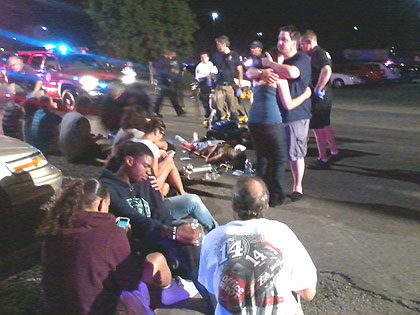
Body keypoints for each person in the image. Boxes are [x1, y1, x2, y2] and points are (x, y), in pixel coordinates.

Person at [99, 142, 218, 306]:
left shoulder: (146, 181)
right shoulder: (108, 188)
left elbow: (161, 215)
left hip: (156, 236)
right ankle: (214, 300)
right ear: (129, 161)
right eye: (145, 166)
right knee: (190, 245)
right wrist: (173, 233)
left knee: (193, 237)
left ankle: (211, 288)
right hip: (135, 243)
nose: (149, 171)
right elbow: (134, 219)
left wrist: (179, 229)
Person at [37, 178, 178, 314]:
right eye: (108, 207)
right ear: (101, 204)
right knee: (156, 258)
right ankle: (171, 291)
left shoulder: (54, 229)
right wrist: (123, 238)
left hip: (55, 309)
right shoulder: (110, 232)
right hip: (99, 309)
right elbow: (129, 281)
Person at [198, 176, 317, 315]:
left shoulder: (213, 238)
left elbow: (212, 289)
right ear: (266, 206)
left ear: (233, 205)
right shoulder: (282, 232)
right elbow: (308, 293)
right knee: (294, 295)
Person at [246, 50, 312, 207]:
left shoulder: (257, 76)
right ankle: (276, 197)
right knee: (279, 159)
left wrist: (261, 70)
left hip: (254, 120)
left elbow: (249, 72)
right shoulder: (278, 77)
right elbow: (288, 105)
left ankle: (257, 196)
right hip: (271, 121)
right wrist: (306, 95)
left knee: (262, 159)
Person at [262, 25, 312, 202]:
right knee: (275, 153)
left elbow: (292, 73)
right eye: (279, 39)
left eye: (284, 39)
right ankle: (273, 187)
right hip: (275, 112)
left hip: (296, 114)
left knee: (295, 153)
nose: (280, 43)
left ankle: (297, 187)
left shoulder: (302, 59)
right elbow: (255, 71)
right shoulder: (277, 58)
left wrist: (271, 65)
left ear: (295, 43)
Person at [300, 30, 341, 169]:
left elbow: (327, 70)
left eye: (302, 44)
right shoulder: (320, 53)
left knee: (317, 127)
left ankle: (323, 158)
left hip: (320, 95)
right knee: (325, 124)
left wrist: (318, 88)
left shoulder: (317, 54)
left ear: (309, 42)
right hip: (326, 94)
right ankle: (334, 151)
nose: (301, 47)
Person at [212, 35, 243, 121]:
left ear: (224, 44)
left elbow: (239, 69)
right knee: (218, 106)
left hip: (230, 85)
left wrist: (240, 83)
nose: (217, 46)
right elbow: (213, 68)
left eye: (218, 44)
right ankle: (218, 122)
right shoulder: (216, 55)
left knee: (233, 107)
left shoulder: (234, 55)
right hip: (219, 85)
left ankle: (234, 123)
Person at [154, 50, 186, 117]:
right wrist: (171, 73)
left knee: (168, 97)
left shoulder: (161, 61)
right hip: (164, 81)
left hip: (163, 81)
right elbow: (165, 71)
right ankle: (155, 111)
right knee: (164, 97)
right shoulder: (164, 61)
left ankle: (179, 111)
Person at [195, 51, 218, 118]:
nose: (203, 59)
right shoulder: (199, 66)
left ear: (208, 58)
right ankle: (207, 111)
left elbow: (215, 72)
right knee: (204, 99)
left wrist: (212, 76)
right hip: (203, 83)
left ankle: (215, 112)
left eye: (205, 57)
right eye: (202, 57)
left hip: (212, 83)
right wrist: (206, 76)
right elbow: (198, 76)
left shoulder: (211, 64)